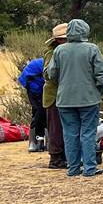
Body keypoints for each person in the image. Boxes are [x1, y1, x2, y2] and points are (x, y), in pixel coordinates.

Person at [46, 18, 103, 178]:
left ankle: (73, 168)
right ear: (85, 31)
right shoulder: (92, 49)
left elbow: (51, 74)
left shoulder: (59, 50)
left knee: (69, 133)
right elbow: (100, 73)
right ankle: (89, 168)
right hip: (88, 98)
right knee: (88, 133)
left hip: (65, 100)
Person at [41, 23, 69, 170]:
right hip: (54, 96)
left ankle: (64, 156)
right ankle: (56, 158)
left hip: (65, 95)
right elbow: (47, 74)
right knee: (56, 128)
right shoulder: (51, 53)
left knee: (65, 127)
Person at [17, 54, 47, 152]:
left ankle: (40, 140)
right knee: (39, 111)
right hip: (34, 88)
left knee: (42, 112)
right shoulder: (44, 63)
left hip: (38, 87)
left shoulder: (44, 62)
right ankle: (35, 141)